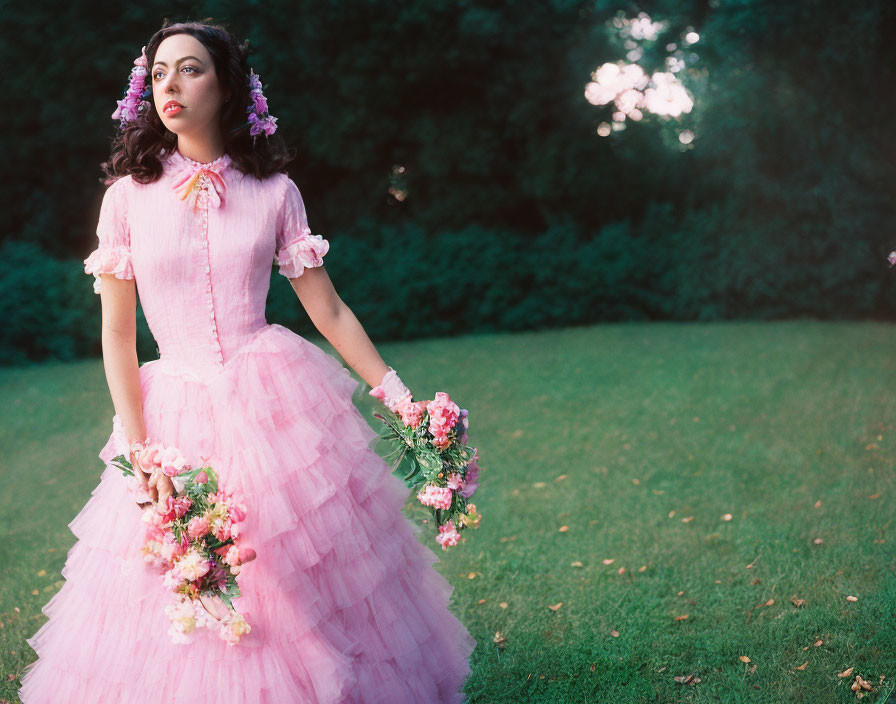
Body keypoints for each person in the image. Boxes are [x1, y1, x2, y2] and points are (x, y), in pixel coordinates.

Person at [18, 19, 476, 704]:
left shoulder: (274, 193)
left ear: (228, 86)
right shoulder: (126, 200)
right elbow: (118, 336)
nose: (170, 84)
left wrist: (402, 400)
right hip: (172, 407)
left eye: (191, 68)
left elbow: (330, 312)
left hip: (273, 394)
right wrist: (138, 450)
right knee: (188, 566)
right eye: (159, 72)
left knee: (292, 554)